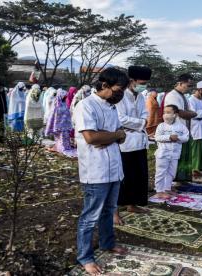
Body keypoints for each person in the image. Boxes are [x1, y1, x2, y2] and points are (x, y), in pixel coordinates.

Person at [73, 67, 129, 275]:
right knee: (90, 216)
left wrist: (112, 135)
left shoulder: (112, 107)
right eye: (118, 90)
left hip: (114, 167)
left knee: (109, 210)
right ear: (104, 85)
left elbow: (120, 136)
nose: (120, 94)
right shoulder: (86, 106)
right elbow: (92, 138)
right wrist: (114, 135)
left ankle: (107, 243)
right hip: (95, 170)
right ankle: (85, 257)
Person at [114, 65, 151, 225]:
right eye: (142, 82)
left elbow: (145, 115)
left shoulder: (141, 96)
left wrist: (139, 123)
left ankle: (132, 204)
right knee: (122, 177)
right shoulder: (120, 96)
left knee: (137, 176)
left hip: (139, 142)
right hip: (124, 143)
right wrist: (140, 123)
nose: (144, 85)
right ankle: (114, 211)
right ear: (132, 81)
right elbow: (121, 119)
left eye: (146, 83)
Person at [163, 74, 197, 181]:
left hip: (184, 130)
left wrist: (191, 113)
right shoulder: (172, 95)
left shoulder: (183, 96)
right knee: (177, 157)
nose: (189, 88)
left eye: (191, 86)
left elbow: (189, 111)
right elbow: (181, 113)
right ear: (180, 83)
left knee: (185, 156)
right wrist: (193, 114)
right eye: (188, 85)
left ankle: (183, 179)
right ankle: (175, 180)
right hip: (175, 131)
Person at [153, 104, 189, 199]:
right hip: (163, 153)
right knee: (161, 172)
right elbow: (157, 137)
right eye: (164, 112)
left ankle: (167, 189)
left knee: (171, 172)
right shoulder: (161, 126)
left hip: (175, 154)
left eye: (168, 112)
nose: (165, 115)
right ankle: (159, 191)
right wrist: (169, 137)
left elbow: (186, 137)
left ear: (175, 114)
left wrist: (178, 138)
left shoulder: (181, 126)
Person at [45, 88, 77, 157]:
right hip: (58, 126)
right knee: (60, 138)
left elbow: (68, 113)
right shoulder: (56, 105)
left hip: (65, 125)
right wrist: (53, 126)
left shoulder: (64, 104)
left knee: (65, 138)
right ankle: (61, 148)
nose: (65, 98)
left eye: (65, 97)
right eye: (64, 97)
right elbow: (52, 116)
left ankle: (65, 147)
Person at [189, 81, 202, 175]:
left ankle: (201, 167)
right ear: (199, 90)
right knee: (195, 148)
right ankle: (194, 168)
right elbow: (194, 114)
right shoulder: (191, 100)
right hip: (195, 126)